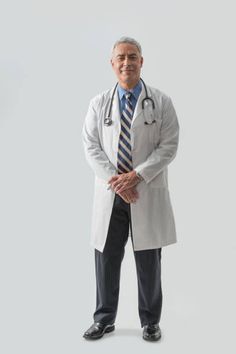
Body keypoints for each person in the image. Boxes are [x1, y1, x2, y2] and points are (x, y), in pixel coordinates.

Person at [82, 36, 179, 341]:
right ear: (112, 64)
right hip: (112, 194)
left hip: (145, 191)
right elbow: (91, 146)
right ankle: (104, 318)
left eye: (133, 57)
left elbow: (169, 146)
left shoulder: (161, 102)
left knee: (149, 259)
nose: (127, 62)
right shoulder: (99, 103)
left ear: (142, 61)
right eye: (121, 57)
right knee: (106, 259)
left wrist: (136, 176)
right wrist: (118, 181)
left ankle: (150, 321)